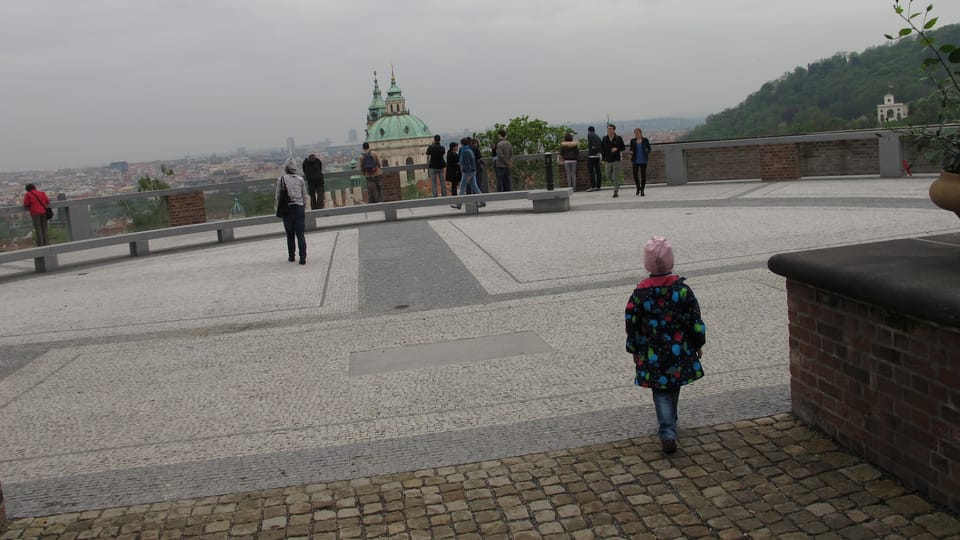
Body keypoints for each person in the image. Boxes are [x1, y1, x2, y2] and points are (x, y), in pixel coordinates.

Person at [624, 236, 706, 454]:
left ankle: (667, 429)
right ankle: (670, 423)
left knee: (660, 390)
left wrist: (633, 347)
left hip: (651, 351)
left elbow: (631, 323)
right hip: (679, 348)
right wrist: (698, 342)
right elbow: (694, 320)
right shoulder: (681, 290)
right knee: (674, 384)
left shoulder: (640, 294)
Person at [276, 159, 308, 264]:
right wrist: (304, 206)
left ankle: (291, 256)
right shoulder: (300, 179)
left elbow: (278, 196)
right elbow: (304, 195)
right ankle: (302, 257)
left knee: (290, 234)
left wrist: (278, 207)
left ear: (286, 168)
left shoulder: (281, 180)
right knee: (300, 234)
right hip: (299, 208)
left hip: (287, 209)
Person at [451, 137, 484, 209]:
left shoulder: (464, 150)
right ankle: (482, 201)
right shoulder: (469, 149)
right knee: (475, 187)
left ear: (462, 143)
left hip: (467, 172)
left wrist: (468, 173)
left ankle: (459, 204)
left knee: (462, 188)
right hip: (473, 171)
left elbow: (467, 163)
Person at [602, 124, 626, 198]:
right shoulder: (604, 138)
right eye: (608, 129)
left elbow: (623, 147)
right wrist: (603, 159)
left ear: (614, 130)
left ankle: (615, 191)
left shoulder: (618, 138)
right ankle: (617, 184)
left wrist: (617, 149)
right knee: (608, 175)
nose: (609, 130)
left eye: (611, 129)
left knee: (615, 176)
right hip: (608, 160)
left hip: (616, 159)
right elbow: (603, 149)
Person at [630, 128, 652, 197]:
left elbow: (649, 148)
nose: (636, 134)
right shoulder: (632, 141)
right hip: (635, 160)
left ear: (640, 133)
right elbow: (631, 149)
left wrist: (646, 152)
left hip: (643, 160)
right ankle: (638, 187)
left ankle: (642, 190)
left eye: (637, 133)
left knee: (643, 176)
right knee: (635, 175)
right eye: (635, 133)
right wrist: (631, 152)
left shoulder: (645, 140)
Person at [586, 126, 603, 191]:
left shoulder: (589, 134)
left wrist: (593, 149)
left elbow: (593, 145)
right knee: (598, 171)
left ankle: (593, 186)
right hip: (598, 156)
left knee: (591, 171)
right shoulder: (598, 136)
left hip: (592, 156)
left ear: (589, 130)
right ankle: (598, 186)